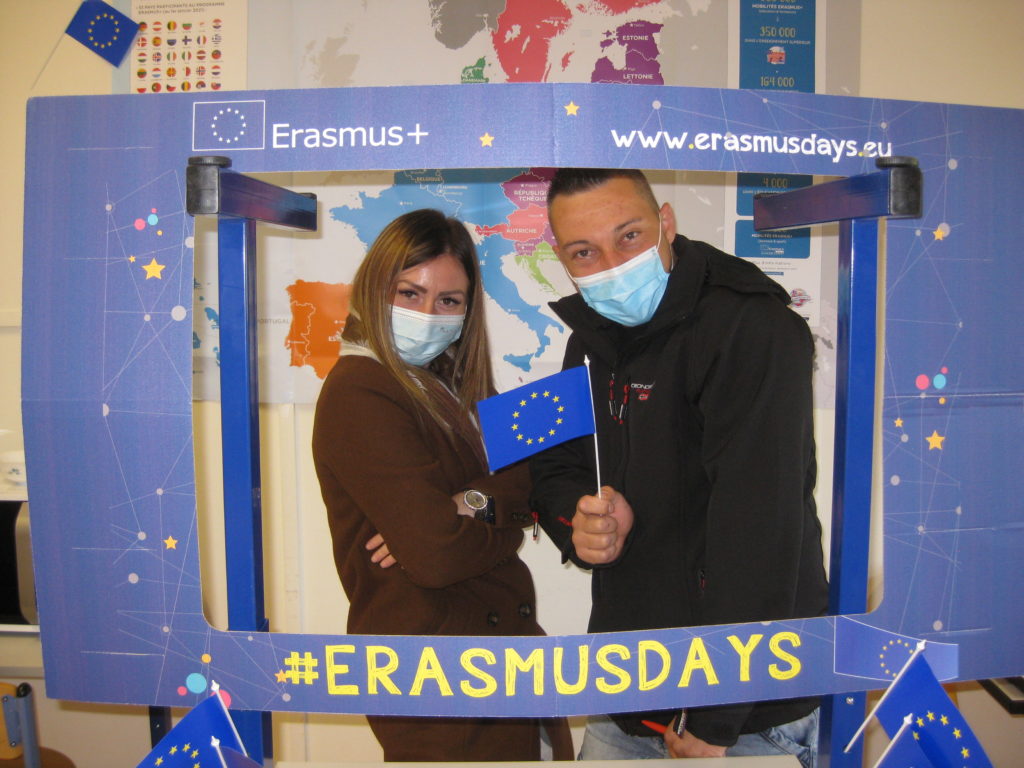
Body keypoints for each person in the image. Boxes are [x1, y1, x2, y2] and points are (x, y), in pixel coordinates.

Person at [530, 169, 829, 766]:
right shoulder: (590, 333)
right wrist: (577, 523)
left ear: (666, 223)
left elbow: (761, 527)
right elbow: (555, 461)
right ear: (561, 257)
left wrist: (717, 713)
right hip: (627, 683)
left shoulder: (753, 326)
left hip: (742, 711)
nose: (612, 266)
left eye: (629, 236)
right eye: (584, 252)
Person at [312, 208, 573, 762]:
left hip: (492, 662)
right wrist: (498, 520)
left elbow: (526, 470)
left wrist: (470, 503)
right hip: (438, 681)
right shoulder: (361, 389)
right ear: (374, 288)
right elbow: (436, 556)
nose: (427, 314)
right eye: (409, 293)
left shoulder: (445, 378)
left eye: (448, 301)